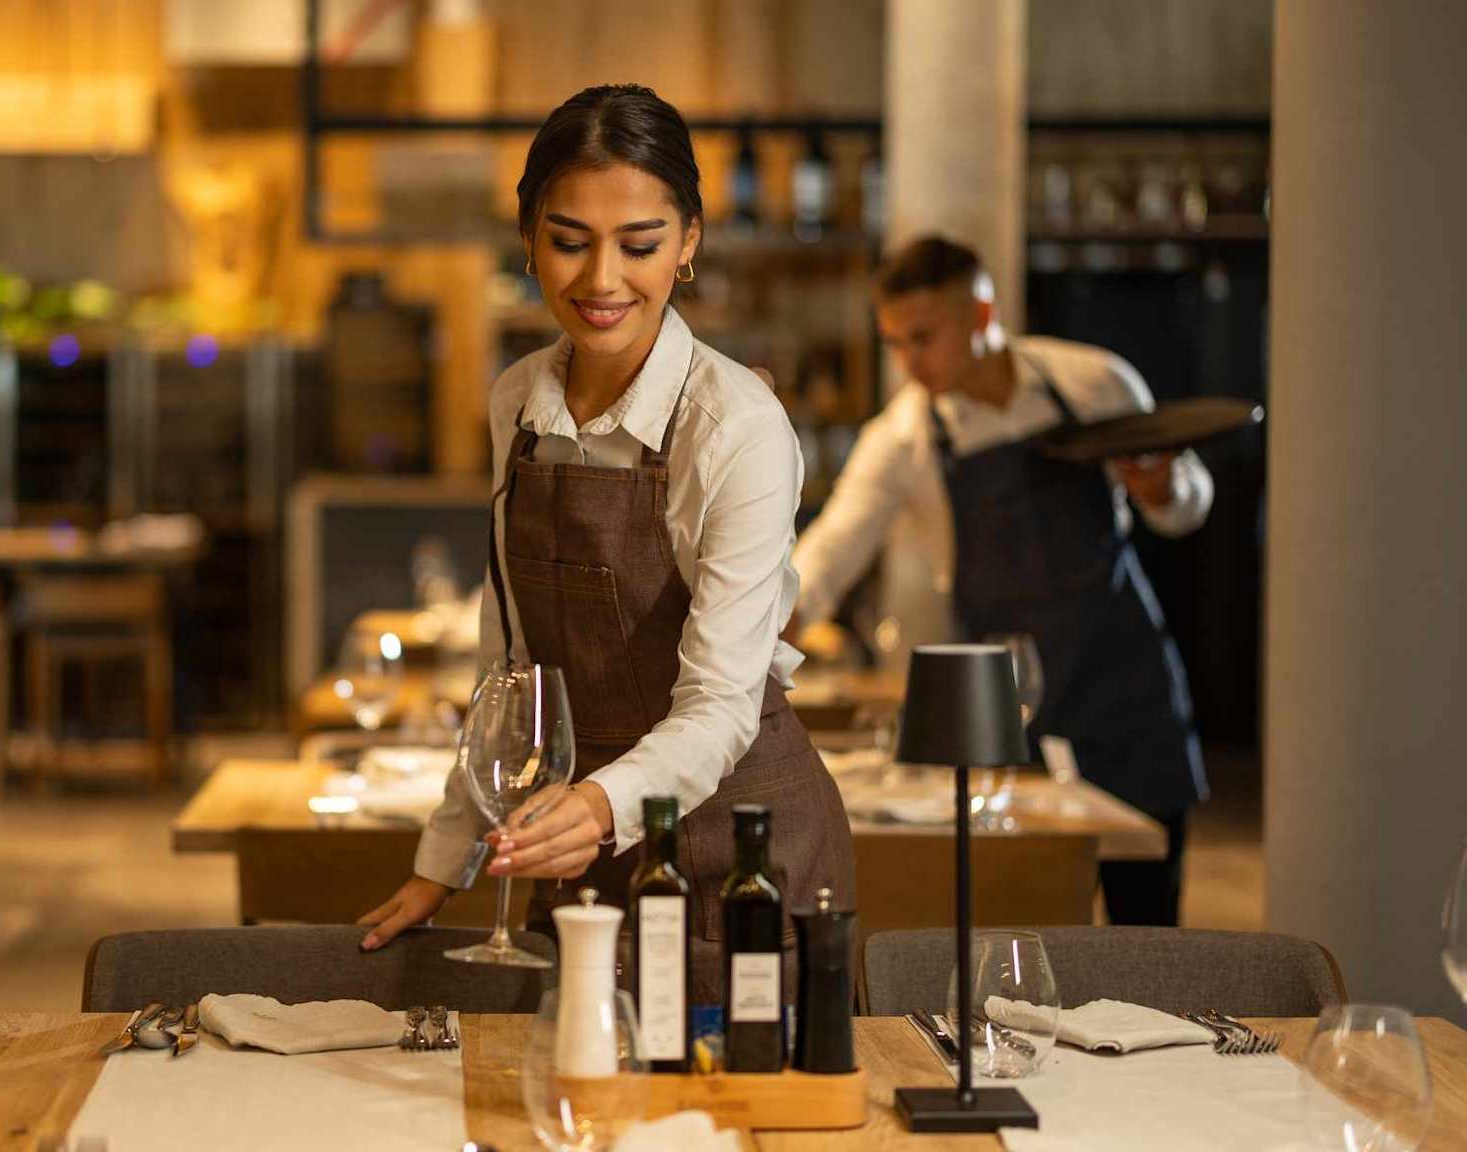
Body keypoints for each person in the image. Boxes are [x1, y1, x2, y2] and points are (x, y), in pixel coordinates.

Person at [357, 84, 854, 1002]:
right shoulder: (517, 400)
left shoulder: (735, 424)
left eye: (640, 244)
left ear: (690, 242)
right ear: (529, 236)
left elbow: (719, 706)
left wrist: (596, 807)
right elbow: (508, 669)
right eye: (569, 240)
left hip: (740, 845)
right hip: (578, 843)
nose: (601, 281)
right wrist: (446, 858)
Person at [791, 234, 1212, 925]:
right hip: (1011, 705)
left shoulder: (1093, 383)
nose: (906, 362)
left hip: (1126, 687)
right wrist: (779, 610)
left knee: (1148, 927)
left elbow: (1186, 504)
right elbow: (831, 548)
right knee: (1021, 919)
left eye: (922, 338)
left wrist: (1163, 485)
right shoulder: (902, 440)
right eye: (894, 342)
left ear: (982, 318)